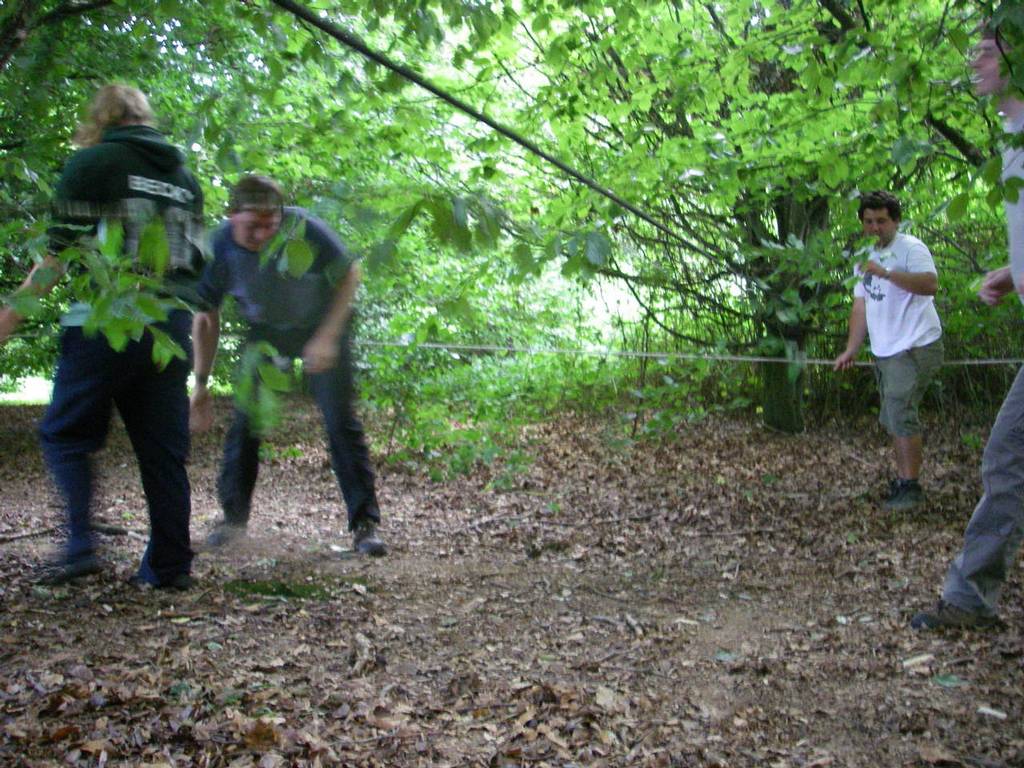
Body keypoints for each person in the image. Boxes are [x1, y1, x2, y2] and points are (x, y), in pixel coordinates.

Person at [0, 84, 205, 588]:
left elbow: (57, 256)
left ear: (102, 118)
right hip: (169, 326)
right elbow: (194, 265)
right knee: (162, 450)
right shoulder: (185, 180)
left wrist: (9, 318)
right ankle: (171, 567)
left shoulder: (93, 164)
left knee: (65, 434)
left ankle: (79, 546)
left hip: (105, 321)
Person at [189, 174, 386, 557]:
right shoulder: (218, 247)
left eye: (270, 225)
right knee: (247, 421)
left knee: (339, 422)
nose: (263, 234)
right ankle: (232, 520)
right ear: (232, 216)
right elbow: (206, 318)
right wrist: (200, 384)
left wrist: (327, 337)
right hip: (266, 334)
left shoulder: (305, 228)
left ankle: (365, 524)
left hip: (323, 326)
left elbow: (349, 274)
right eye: (252, 226)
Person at [911, 26, 1024, 630]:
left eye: (986, 50)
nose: (973, 60)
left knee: (1008, 456)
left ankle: (967, 600)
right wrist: (1013, 271)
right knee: (1008, 457)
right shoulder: (1012, 136)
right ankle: (969, 601)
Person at [833, 191, 944, 510]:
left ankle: (910, 487)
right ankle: (902, 480)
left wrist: (886, 273)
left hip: (916, 345)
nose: (875, 227)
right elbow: (860, 305)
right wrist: (851, 348)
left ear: (895, 220)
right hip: (885, 350)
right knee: (892, 416)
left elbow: (930, 284)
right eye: (869, 221)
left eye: (881, 220)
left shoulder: (910, 248)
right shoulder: (863, 257)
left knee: (899, 411)